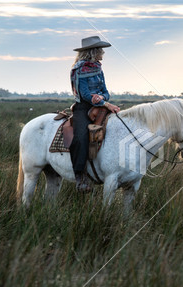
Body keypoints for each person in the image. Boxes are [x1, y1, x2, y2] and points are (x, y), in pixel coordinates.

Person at [70, 36, 120, 192]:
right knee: (80, 137)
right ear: (94, 51)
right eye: (101, 50)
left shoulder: (98, 68)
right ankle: (80, 175)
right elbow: (85, 94)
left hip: (101, 107)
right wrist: (103, 102)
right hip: (83, 108)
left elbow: (106, 92)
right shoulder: (79, 69)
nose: (103, 53)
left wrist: (103, 99)